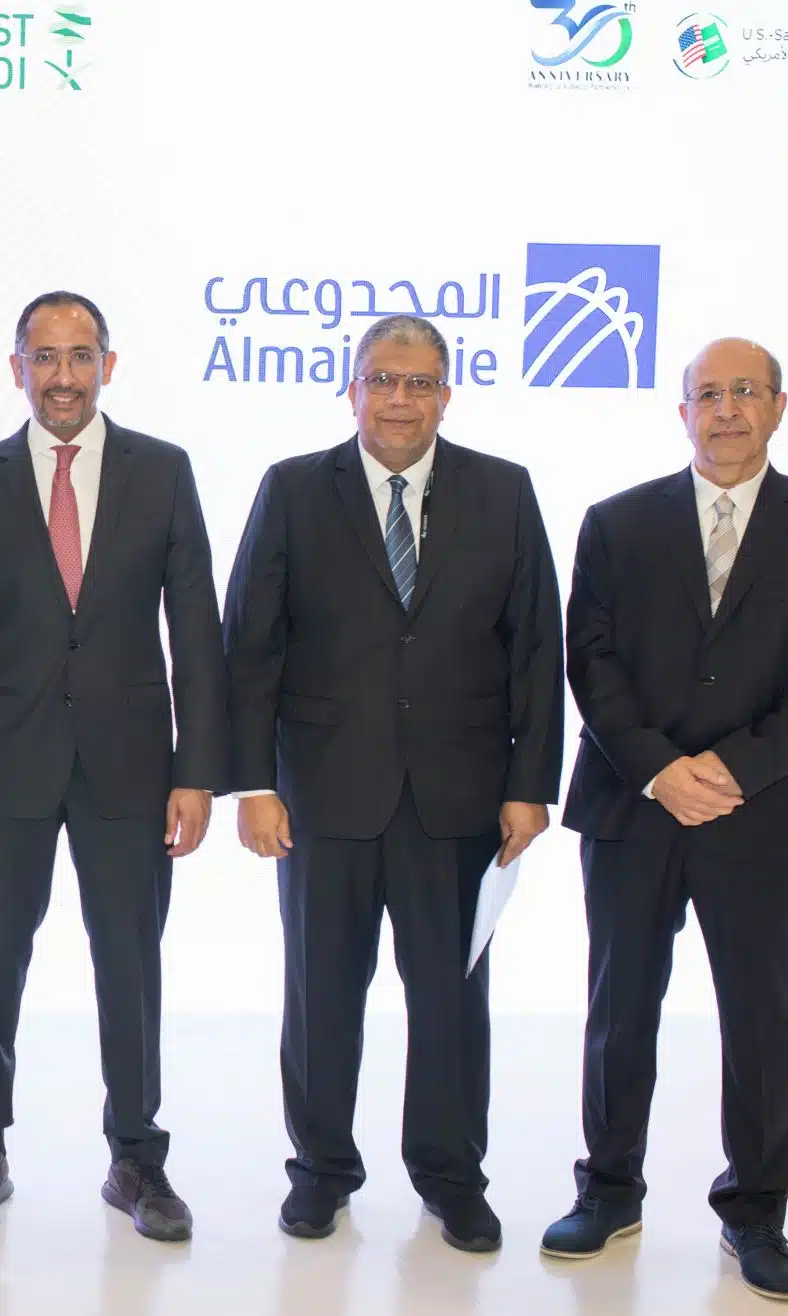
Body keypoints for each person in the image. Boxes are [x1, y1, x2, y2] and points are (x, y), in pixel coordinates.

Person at [542, 339, 788, 1301]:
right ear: (682, 412)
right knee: (620, 1005)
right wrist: (660, 770)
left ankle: (757, 1210)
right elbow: (590, 659)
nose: (726, 409)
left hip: (767, 809)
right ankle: (609, 1188)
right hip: (633, 802)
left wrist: (731, 770)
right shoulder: (615, 523)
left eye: (745, 391)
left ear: (779, 406)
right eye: (707, 394)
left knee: (762, 1017)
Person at [222, 314, 563, 1254]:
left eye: (418, 383)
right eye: (381, 379)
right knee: (321, 994)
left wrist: (530, 783)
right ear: (352, 389)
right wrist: (252, 783)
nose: (400, 399)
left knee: (450, 999)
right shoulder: (293, 488)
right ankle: (320, 1170)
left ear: (446, 394)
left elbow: (537, 645)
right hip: (323, 794)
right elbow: (250, 643)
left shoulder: (504, 490)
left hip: (460, 797)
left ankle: (451, 1175)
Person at [0, 292, 228, 1240]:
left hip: (131, 768)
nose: (62, 376)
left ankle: (137, 1156)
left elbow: (196, 632)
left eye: (80, 356)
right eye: (44, 357)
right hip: (2, 768)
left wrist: (197, 770)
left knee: (130, 962)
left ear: (108, 365)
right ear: (17, 368)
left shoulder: (163, 472)